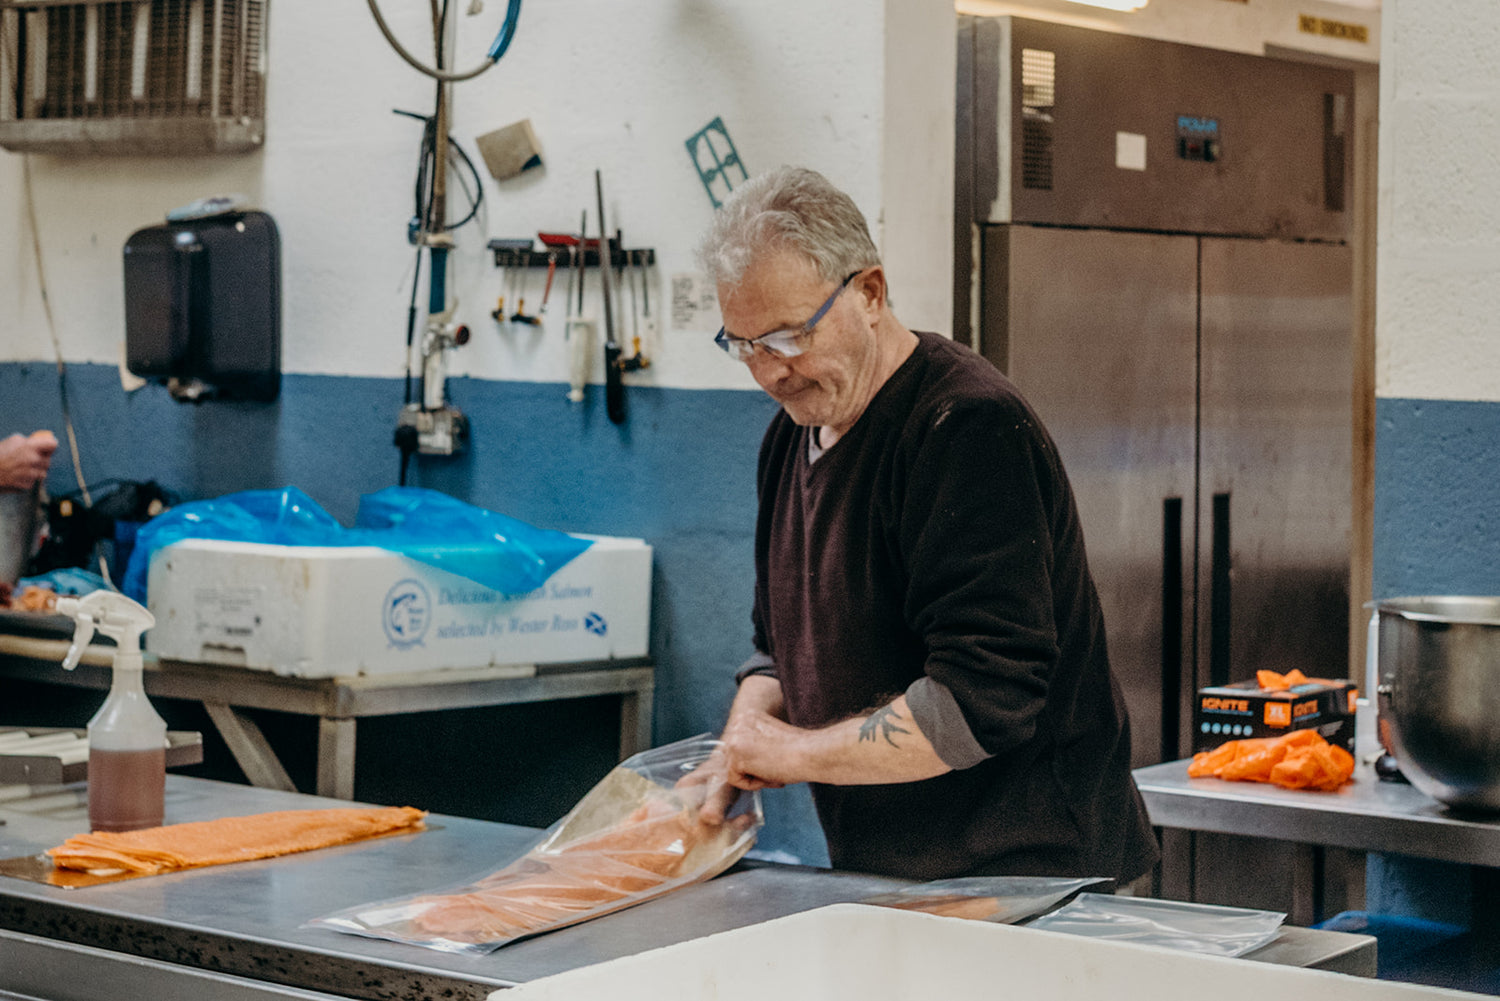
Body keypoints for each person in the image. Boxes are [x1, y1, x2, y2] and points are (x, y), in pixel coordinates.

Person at [687, 166, 1159, 884]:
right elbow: (777, 649)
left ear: (869, 293)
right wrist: (738, 747)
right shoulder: (790, 435)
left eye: (786, 337)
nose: (769, 373)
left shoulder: (965, 429)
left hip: (1031, 878)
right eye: (743, 344)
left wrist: (790, 753)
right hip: (893, 872)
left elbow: (980, 703)